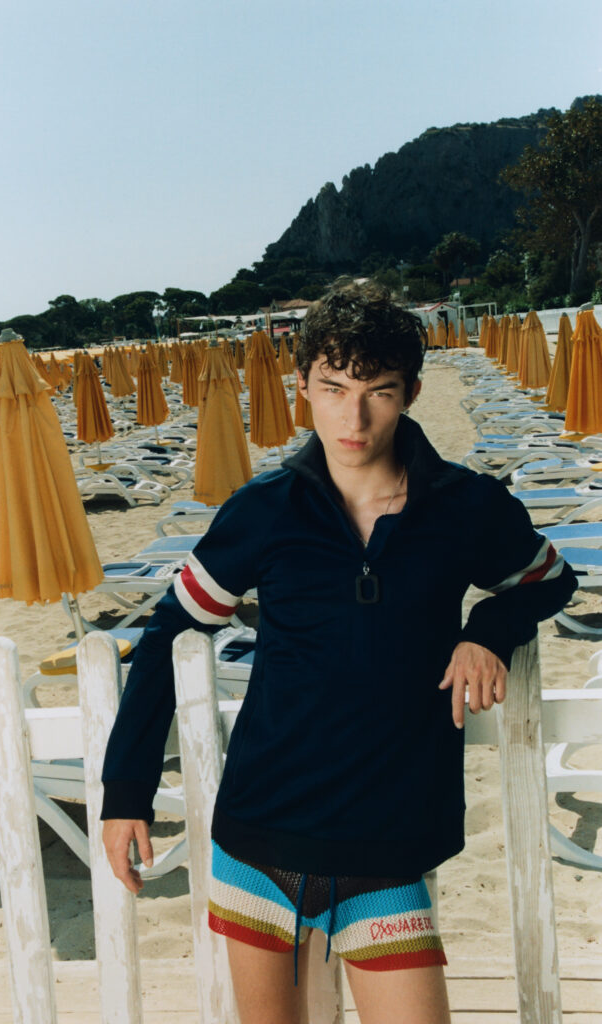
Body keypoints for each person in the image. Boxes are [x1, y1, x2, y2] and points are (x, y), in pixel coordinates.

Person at [101, 279, 576, 1024]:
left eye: (378, 391)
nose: (353, 418)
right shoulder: (264, 511)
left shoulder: (464, 507)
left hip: (386, 848)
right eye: (333, 388)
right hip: (258, 840)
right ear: (302, 387)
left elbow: (550, 580)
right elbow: (168, 632)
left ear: (411, 392)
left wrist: (487, 628)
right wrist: (126, 791)